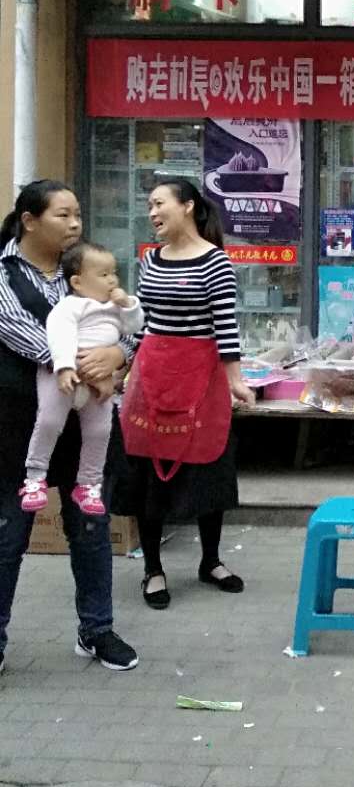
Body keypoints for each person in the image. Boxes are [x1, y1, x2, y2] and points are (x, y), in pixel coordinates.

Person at [0, 180, 139, 673]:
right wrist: (96, 362)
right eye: (63, 215)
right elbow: (32, 339)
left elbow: (130, 325)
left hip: (87, 423)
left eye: (77, 214)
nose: (75, 223)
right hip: (21, 425)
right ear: (29, 220)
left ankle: (96, 630)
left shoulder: (85, 267)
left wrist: (118, 353)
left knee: (91, 528)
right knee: (9, 536)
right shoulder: (4, 276)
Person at [116, 178, 254, 611]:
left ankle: (210, 561)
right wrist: (125, 364)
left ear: (187, 206)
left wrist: (235, 379)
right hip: (152, 375)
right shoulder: (151, 260)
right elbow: (143, 321)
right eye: (149, 206)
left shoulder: (216, 262)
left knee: (208, 468)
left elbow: (225, 324)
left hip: (202, 378)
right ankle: (153, 569)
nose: (152, 213)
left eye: (159, 203)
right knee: (148, 473)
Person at [20, 241, 143, 518]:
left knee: (99, 430)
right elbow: (59, 335)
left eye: (114, 273)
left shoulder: (114, 309)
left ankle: (89, 484)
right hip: (63, 376)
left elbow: (135, 326)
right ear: (77, 282)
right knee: (49, 421)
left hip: (100, 380)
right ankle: (35, 477)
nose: (112, 280)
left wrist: (129, 304)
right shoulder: (70, 306)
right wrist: (65, 366)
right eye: (103, 274)